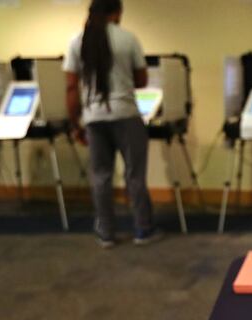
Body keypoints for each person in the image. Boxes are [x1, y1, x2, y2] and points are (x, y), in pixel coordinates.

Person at [64, 0, 162, 248]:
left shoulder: (77, 41)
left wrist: (75, 123)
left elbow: (71, 86)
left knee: (101, 176)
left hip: (94, 118)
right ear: (116, 13)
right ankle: (142, 229)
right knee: (134, 175)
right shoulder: (128, 38)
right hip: (126, 114)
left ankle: (106, 232)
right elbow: (141, 80)